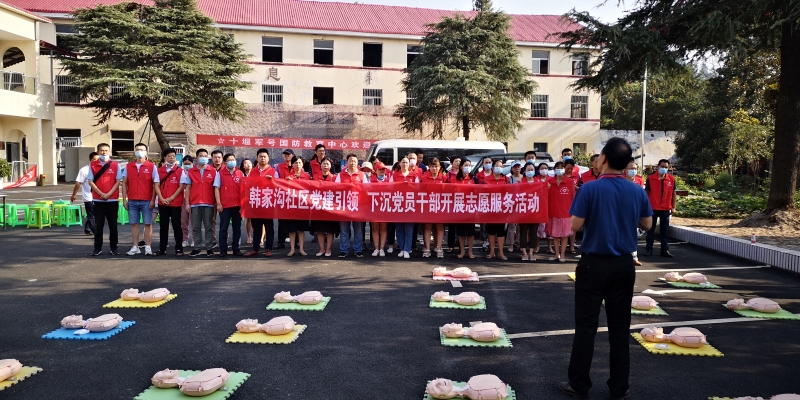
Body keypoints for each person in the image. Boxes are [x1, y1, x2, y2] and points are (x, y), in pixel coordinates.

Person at [559, 137, 653, 400]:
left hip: (593, 264)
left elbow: (575, 225)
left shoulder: (590, 188)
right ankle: (619, 388)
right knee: (620, 329)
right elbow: (647, 224)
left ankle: (579, 385)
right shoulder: (636, 190)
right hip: (623, 264)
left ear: (605, 159)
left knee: (586, 327)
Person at [121, 143, 159, 256]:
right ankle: (135, 246)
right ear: (134, 152)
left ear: (146, 152)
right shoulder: (129, 166)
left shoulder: (151, 166)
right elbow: (124, 184)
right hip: (132, 200)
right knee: (134, 224)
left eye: (142, 149)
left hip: (146, 200)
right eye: (137, 149)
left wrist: (153, 200)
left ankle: (148, 246)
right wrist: (124, 199)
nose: (139, 151)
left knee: (148, 224)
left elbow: (155, 185)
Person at [88, 143, 122, 256]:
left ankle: (114, 247)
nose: (104, 152)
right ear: (98, 152)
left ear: (109, 151)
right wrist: (101, 194)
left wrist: (109, 194)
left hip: (112, 200)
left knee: (113, 225)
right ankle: (97, 248)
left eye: (106, 150)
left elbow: (118, 181)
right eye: (102, 150)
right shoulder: (92, 165)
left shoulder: (116, 165)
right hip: (98, 200)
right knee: (98, 225)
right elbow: (90, 181)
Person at [182, 148, 218, 257]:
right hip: (195, 203)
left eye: (205, 156)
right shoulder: (191, 171)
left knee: (209, 227)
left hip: (209, 203)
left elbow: (216, 188)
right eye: (201, 156)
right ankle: (197, 248)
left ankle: (209, 248)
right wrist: (187, 204)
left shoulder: (213, 171)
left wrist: (217, 202)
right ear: (196, 158)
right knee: (196, 228)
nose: (203, 158)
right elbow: (188, 188)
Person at [244, 148, 279, 257]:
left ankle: (268, 249)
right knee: (256, 228)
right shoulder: (252, 171)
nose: (263, 158)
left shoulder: (273, 171)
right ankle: (255, 248)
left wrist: (272, 181)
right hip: (256, 204)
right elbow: (248, 186)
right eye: (260, 156)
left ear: (268, 158)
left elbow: (278, 186)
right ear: (257, 158)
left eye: (265, 156)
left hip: (268, 204)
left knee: (269, 228)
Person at [335, 153, 368, 258]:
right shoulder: (340, 175)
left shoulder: (362, 175)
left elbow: (367, 190)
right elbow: (335, 188)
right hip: (344, 207)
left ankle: (358, 250)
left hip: (357, 206)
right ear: (347, 162)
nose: (352, 163)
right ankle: (344, 250)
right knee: (344, 230)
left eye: (354, 161)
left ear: (357, 163)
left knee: (358, 230)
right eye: (350, 161)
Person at [645, 159, 677, 258]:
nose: (664, 168)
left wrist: (674, 207)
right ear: (658, 167)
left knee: (665, 231)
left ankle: (665, 250)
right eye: (662, 166)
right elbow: (646, 193)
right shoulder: (650, 178)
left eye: (666, 167)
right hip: (652, 208)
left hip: (665, 209)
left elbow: (674, 193)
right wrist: (645, 207)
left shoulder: (671, 179)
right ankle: (649, 249)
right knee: (650, 230)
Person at [155, 148, 185, 256]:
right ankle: (162, 249)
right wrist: (162, 198)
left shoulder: (180, 171)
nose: (172, 158)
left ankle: (179, 248)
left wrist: (171, 198)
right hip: (162, 203)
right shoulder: (159, 170)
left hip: (175, 203)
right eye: (169, 156)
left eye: (173, 156)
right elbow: (156, 185)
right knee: (163, 226)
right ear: (164, 157)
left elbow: (181, 187)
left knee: (177, 226)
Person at [214, 153, 245, 257]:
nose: (232, 162)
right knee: (223, 228)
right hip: (225, 206)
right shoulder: (220, 173)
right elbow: (216, 189)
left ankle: (236, 248)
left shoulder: (240, 173)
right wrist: (218, 203)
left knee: (237, 228)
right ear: (225, 162)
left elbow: (244, 190)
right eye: (230, 160)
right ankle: (223, 249)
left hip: (237, 206)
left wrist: (243, 205)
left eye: (233, 159)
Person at [548, 161, 576, 263]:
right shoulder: (549, 182)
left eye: (562, 167)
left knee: (564, 235)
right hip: (553, 212)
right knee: (555, 235)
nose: (559, 169)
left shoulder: (570, 182)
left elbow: (573, 198)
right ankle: (557, 254)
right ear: (554, 170)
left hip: (566, 213)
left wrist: (573, 212)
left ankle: (563, 254)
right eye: (558, 168)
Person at [391, 156, 418, 258]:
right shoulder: (395, 175)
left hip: (410, 205)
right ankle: (402, 248)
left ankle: (407, 249)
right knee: (399, 229)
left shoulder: (414, 175)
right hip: (398, 205)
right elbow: (390, 188)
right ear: (400, 163)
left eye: (406, 162)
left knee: (409, 229)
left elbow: (418, 189)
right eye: (403, 162)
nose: (405, 164)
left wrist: (409, 186)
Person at [283, 156, 310, 256]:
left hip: (302, 206)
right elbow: (283, 189)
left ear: (302, 164)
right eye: (295, 163)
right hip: (291, 206)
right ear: (292, 165)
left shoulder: (307, 176)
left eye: (299, 163)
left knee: (301, 230)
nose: (298, 165)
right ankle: (292, 249)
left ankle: (301, 249)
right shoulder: (287, 176)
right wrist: (288, 182)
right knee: (292, 230)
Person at [312, 158, 338, 257]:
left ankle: (328, 249)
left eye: (327, 164)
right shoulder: (315, 177)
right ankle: (321, 248)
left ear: (331, 166)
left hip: (330, 207)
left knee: (330, 229)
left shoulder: (335, 178)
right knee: (320, 229)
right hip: (318, 207)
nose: (326, 165)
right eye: (324, 164)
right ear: (320, 165)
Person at [420, 158, 446, 258]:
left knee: (440, 227)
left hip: (440, 206)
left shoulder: (444, 178)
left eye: (436, 166)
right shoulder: (424, 178)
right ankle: (427, 248)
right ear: (429, 167)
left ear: (439, 167)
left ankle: (439, 248)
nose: (434, 168)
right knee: (428, 227)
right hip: (428, 205)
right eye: (432, 166)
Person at [71, 151, 99, 236]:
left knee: (95, 214)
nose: (96, 162)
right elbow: (78, 183)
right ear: (90, 160)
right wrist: (74, 194)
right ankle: (95, 232)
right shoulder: (84, 170)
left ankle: (87, 229)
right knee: (92, 215)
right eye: (94, 160)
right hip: (88, 197)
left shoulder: (100, 169)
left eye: (98, 160)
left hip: (98, 197)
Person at [452, 159, 476, 259]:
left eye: (469, 165)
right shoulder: (454, 179)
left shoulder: (473, 179)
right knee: (461, 232)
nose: (468, 167)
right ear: (461, 166)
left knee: (470, 232)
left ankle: (470, 251)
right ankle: (462, 250)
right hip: (460, 208)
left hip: (471, 208)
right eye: (466, 165)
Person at [624, 158, 645, 266]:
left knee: (633, 234)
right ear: (625, 170)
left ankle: (634, 256)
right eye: (631, 168)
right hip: (622, 211)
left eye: (635, 168)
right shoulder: (621, 181)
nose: (634, 170)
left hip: (635, 210)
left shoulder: (640, 181)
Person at [518, 163, 541, 261]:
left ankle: (531, 252)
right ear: (524, 171)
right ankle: (524, 252)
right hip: (523, 211)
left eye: (532, 169)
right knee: (523, 232)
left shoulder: (539, 182)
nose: (530, 171)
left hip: (535, 211)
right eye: (528, 169)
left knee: (533, 232)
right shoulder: (520, 182)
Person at [369, 160, 390, 256]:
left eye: (383, 169)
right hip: (374, 207)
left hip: (385, 207)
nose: (382, 171)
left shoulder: (389, 180)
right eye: (380, 169)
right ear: (376, 170)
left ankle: (382, 248)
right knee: (375, 228)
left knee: (384, 228)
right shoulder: (370, 180)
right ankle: (376, 248)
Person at [276, 149, 295, 249]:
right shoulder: (279, 167)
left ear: (293, 155)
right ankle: (281, 241)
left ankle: (295, 242)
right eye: (285, 155)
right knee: (282, 220)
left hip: (295, 197)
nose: (286, 156)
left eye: (288, 154)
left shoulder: (297, 166)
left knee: (295, 220)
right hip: (283, 196)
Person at [535, 162, 555, 257]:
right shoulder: (535, 180)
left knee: (549, 227)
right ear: (539, 170)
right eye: (542, 168)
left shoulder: (551, 180)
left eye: (545, 168)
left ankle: (549, 246)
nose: (544, 170)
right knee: (538, 227)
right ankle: (537, 245)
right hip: (539, 206)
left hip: (549, 205)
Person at [445, 156, 463, 254]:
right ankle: (450, 246)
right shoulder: (448, 174)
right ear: (452, 163)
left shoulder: (464, 174)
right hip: (451, 202)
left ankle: (461, 246)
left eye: (459, 161)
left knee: (461, 226)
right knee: (451, 227)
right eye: (456, 161)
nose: (458, 163)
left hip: (462, 202)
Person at [506, 161, 523, 252]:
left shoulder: (524, 178)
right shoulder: (509, 179)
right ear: (512, 169)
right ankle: (511, 244)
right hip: (512, 203)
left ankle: (519, 242)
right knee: (512, 225)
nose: (517, 169)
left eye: (518, 167)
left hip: (522, 203)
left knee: (520, 225)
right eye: (515, 167)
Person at [209, 149, 224, 249]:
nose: (217, 159)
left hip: (224, 199)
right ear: (212, 158)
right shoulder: (208, 169)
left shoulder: (226, 170)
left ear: (222, 159)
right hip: (211, 199)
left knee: (224, 221)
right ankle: (213, 240)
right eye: (215, 157)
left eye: (219, 157)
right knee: (211, 221)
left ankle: (224, 240)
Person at [180, 156, 194, 249]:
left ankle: (194, 239)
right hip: (183, 201)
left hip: (193, 201)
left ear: (192, 163)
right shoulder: (181, 172)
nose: (187, 166)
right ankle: (185, 239)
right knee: (183, 222)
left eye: (189, 164)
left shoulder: (195, 173)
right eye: (185, 164)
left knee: (194, 222)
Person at [240, 158, 254, 245]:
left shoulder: (255, 174)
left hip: (254, 198)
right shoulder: (241, 175)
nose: (248, 164)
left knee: (257, 219)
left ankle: (261, 236)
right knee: (248, 218)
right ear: (243, 166)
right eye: (245, 163)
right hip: (245, 199)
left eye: (249, 163)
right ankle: (249, 236)